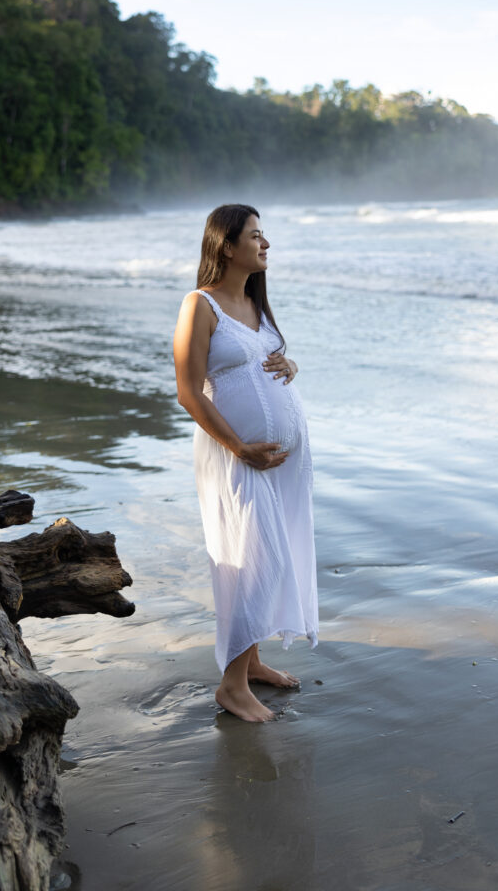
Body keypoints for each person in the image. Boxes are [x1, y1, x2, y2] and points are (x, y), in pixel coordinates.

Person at [173, 204, 319, 722]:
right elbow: (189, 393)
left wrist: (292, 363)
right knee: (257, 560)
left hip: (280, 463)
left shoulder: (257, 307)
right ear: (226, 246)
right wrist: (240, 447)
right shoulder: (200, 305)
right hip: (233, 456)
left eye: (265, 235)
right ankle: (231, 686)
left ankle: (252, 663)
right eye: (256, 236)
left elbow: (270, 364)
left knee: (274, 554)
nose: (266, 244)